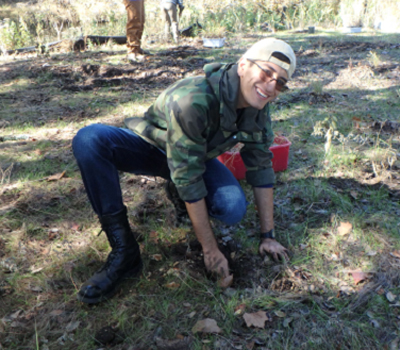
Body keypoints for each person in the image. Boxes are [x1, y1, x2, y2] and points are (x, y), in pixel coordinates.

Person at [72, 38, 296, 304]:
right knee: (89, 140)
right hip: (152, 147)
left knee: (232, 206)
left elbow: (260, 165)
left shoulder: (258, 105)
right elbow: (187, 176)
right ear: (243, 66)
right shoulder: (194, 98)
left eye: (280, 82)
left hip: (194, 156)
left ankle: (177, 194)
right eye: (266, 72)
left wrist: (267, 236)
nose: (271, 86)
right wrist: (210, 250)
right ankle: (124, 251)